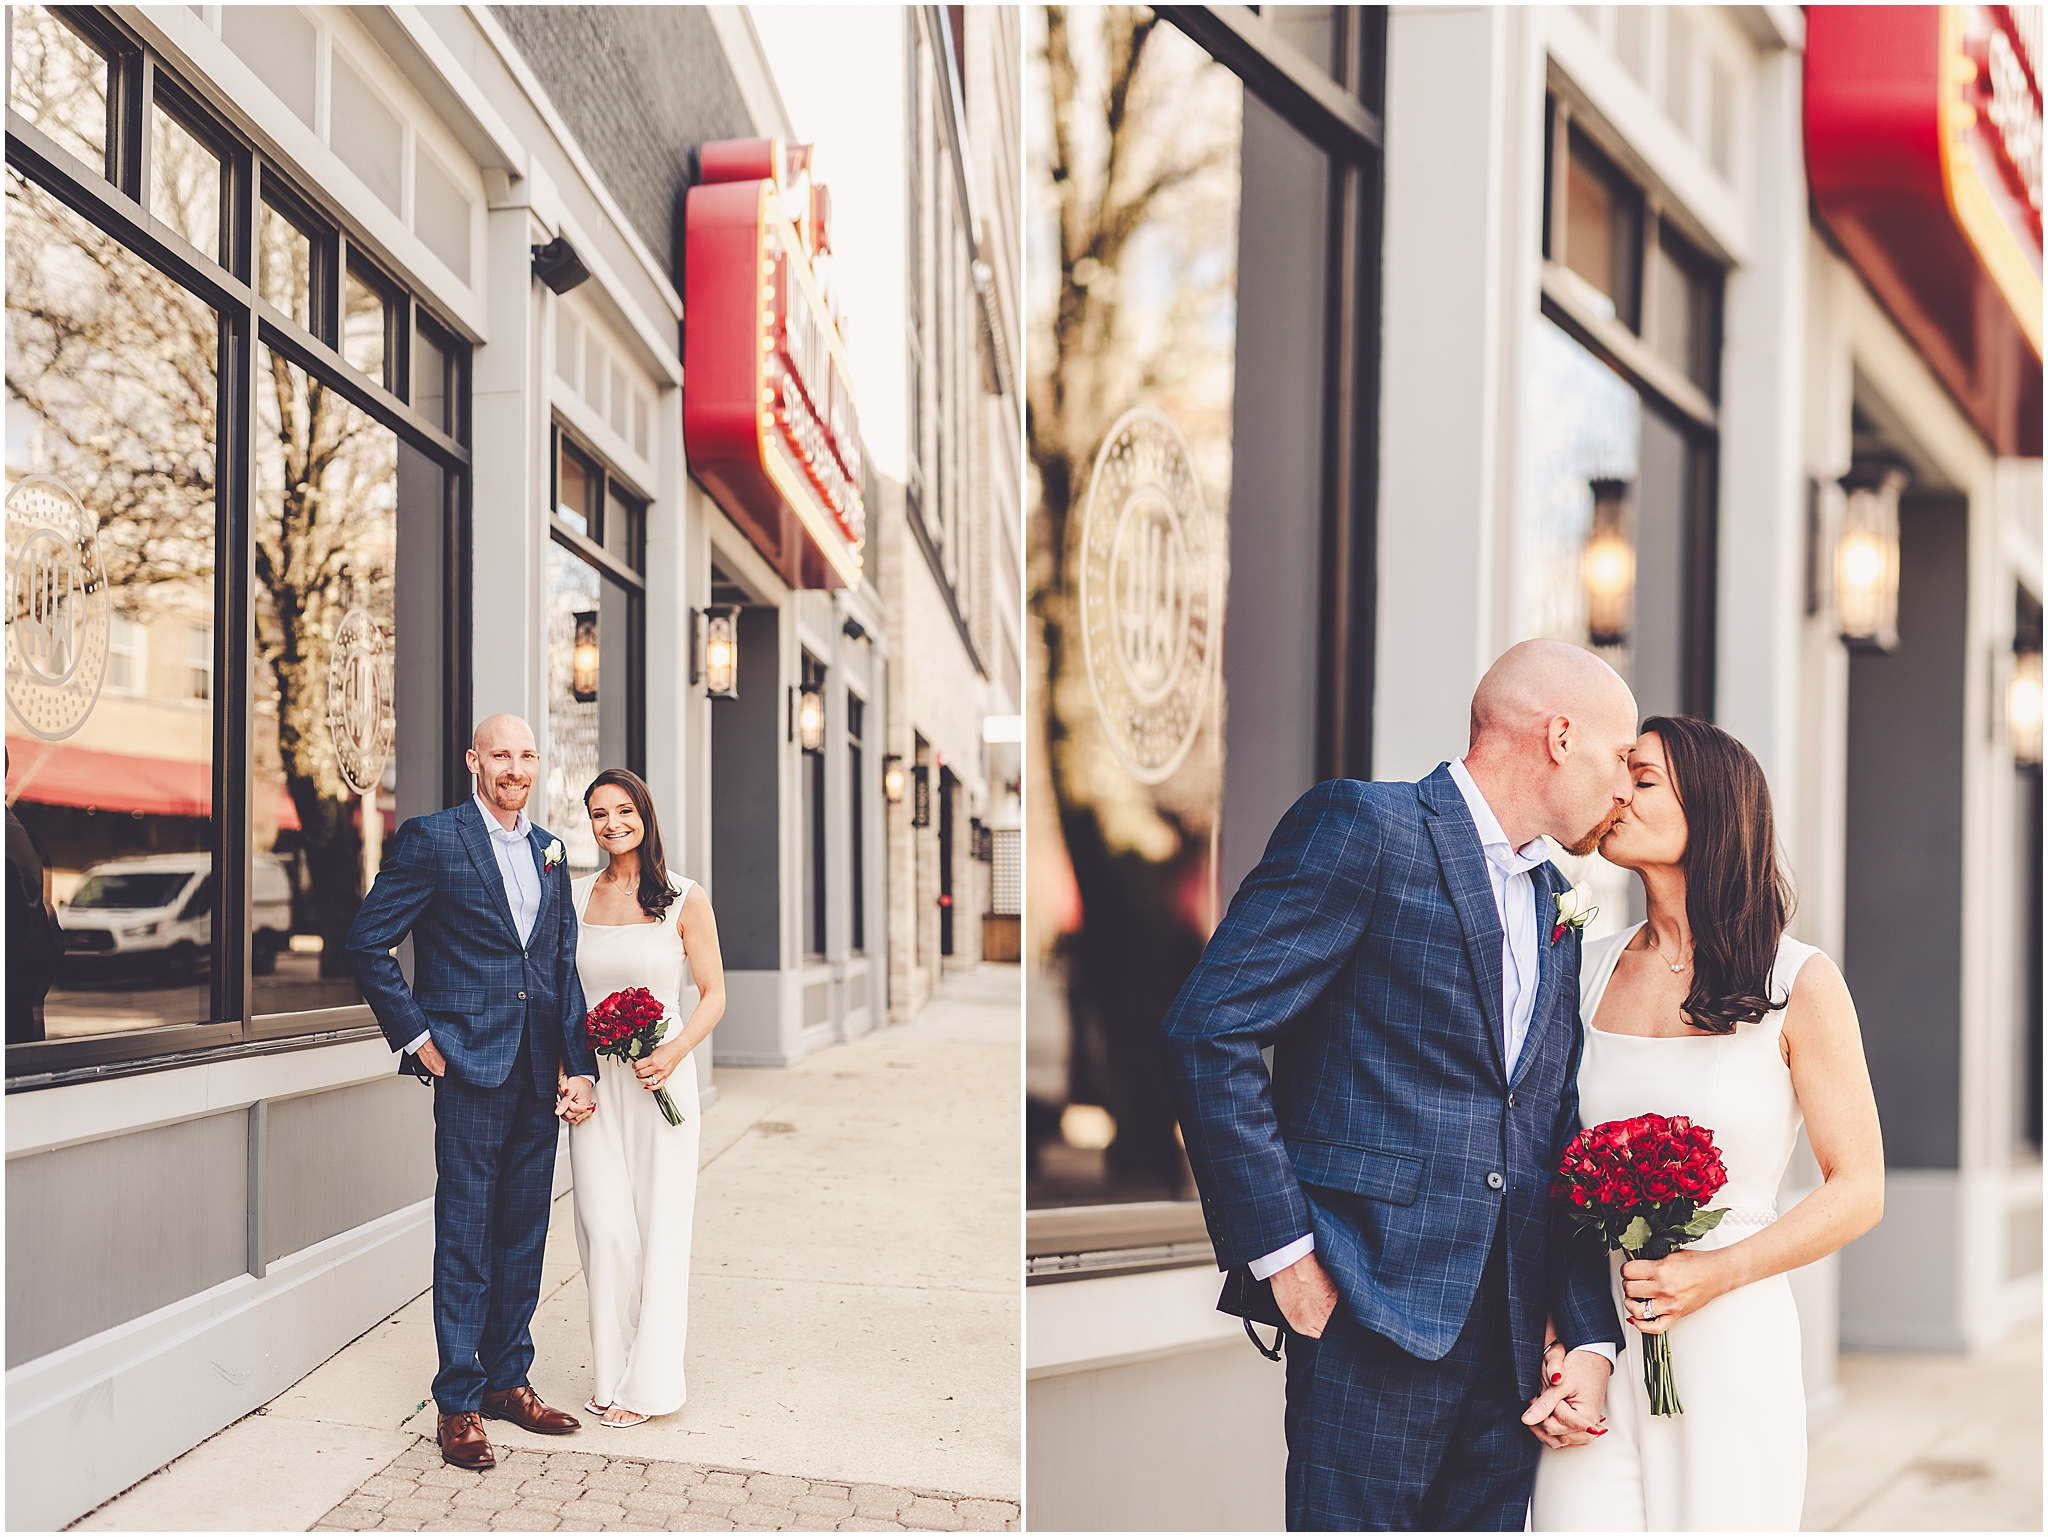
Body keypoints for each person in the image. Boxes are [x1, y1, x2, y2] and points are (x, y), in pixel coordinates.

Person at [1159, 637, 1641, 1532]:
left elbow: (1551, 1131)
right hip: (1366, 1311)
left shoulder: (1556, 901)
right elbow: (1210, 1028)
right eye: (1622, 757)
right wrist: (1286, 1257)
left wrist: (1583, 1329)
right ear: (1561, 735)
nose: (1626, 787)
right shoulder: (1364, 828)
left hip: (1507, 1350)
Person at [1529, 717, 1883, 1531]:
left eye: (1643, 779)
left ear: (1714, 810)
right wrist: (1559, 1334)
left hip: (1730, 1336)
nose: (1618, 794)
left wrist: (1716, 1273)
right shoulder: (1582, 966)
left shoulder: (1799, 980)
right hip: (1597, 1341)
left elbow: (1860, 1188)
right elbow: (1542, 1162)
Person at [345, 713, 598, 1471]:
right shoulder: (435, 838)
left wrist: (576, 1060)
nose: (515, 767)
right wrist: (420, 1037)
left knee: (524, 1230)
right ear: (473, 761)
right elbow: (368, 940)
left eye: (526, 755)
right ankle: (457, 1401)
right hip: (469, 1067)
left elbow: (558, 964)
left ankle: (506, 1379)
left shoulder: (551, 849)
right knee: (464, 1232)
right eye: (501, 754)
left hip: (536, 1070)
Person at [564, 768, 726, 1428]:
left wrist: (674, 1050)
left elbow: (713, 993)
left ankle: (648, 1383)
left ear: (643, 814)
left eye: (622, 810)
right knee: (604, 1227)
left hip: (661, 1082)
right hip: (597, 1086)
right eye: (599, 814)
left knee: (659, 1231)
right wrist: (567, 1073)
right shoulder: (573, 897)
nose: (611, 824)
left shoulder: (685, 897)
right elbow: (562, 1001)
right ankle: (610, 1372)